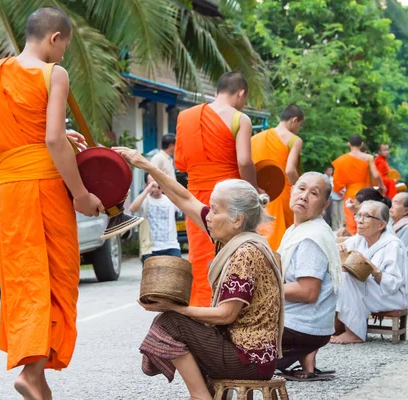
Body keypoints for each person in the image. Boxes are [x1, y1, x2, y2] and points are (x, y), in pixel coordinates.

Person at [0, 7, 105, 399]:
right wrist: (81, 194)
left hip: (9, 191)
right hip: (44, 190)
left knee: (24, 281)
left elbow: (21, 137)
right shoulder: (53, 74)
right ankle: (32, 373)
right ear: (55, 38)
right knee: (55, 279)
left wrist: (62, 137)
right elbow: (49, 141)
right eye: (64, 46)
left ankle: (35, 374)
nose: (63, 55)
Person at [114, 147, 283, 400]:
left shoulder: (245, 252)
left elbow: (226, 314)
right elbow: (185, 199)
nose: (209, 216)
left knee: (171, 321)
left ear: (237, 220)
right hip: (247, 353)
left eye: (215, 210)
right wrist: (147, 166)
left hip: (248, 359)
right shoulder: (233, 238)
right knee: (174, 321)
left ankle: (199, 396)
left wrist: (175, 308)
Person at [175, 71, 260, 307]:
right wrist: (254, 191)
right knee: (232, 255)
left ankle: (201, 312)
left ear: (216, 92)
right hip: (229, 200)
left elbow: (180, 162)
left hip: (196, 198)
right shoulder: (240, 119)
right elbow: (244, 161)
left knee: (201, 258)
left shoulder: (186, 117)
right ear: (241, 93)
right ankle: (230, 310)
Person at [276, 172, 341, 382]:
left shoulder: (310, 238)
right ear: (291, 191)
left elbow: (308, 292)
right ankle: (306, 356)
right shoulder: (299, 229)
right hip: (309, 326)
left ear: (324, 204)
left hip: (301, 327)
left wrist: (262, 289)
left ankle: (302, 348)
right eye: (301, 189)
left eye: (314, 193)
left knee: (230, 341)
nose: (304, 196)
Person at [331, 201, 408, 344]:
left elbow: (393, 284)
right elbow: (338, 250)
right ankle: (336, 328)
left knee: (346, 277)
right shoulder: (358, 239)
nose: (360, 221)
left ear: (381, 225)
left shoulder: (392, 245)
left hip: (391, 295)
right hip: (371, 291)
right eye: (359, 215)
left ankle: (354, 333)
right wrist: (339, 252)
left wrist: (372, 268)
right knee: (337, 275)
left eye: (367, 216)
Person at [251, 104, 304, 250]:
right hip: (283, 195)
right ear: (294, 120)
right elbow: (290, 171)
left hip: (259, 196)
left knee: (262, 239)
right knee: (285, 243)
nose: (298, 129)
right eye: (299, 125)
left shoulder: (255, 139)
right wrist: (302, 189)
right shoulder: (294, 140)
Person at [332, 134, 385, 235]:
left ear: (349, 144)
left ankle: (355, 242)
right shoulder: (368, 157)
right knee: (367, 217)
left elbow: (336, 181)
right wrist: (382, 186)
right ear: (362, 144)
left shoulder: (342, 160)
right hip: (366, 193)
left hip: (351, 193)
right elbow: (376, 174)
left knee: (352, 220)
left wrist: (338, 191)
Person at [130, 174, 181, 262]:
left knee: (176, 274)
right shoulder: (145, 200)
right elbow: (133, 208)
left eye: (158, 182)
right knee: (150, 275)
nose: (156, 187)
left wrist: (166, 186)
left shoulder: (170, 199)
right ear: (146, 185)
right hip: (150, 248)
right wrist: (147, 190)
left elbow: (184, 201)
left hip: (171, 247)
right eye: (152, 183)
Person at [323, 165, 345, 231]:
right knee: (333, 213)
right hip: (331, 198)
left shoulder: (333, 178)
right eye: (329, 170)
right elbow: (332, 188)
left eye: (331, 170)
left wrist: (343, 193)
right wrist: (340, 192)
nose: (330, 172)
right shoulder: (324, 178)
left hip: (340, 198)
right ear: (326, 171)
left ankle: (340, 227)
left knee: (340, 213)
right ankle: (334, 228)